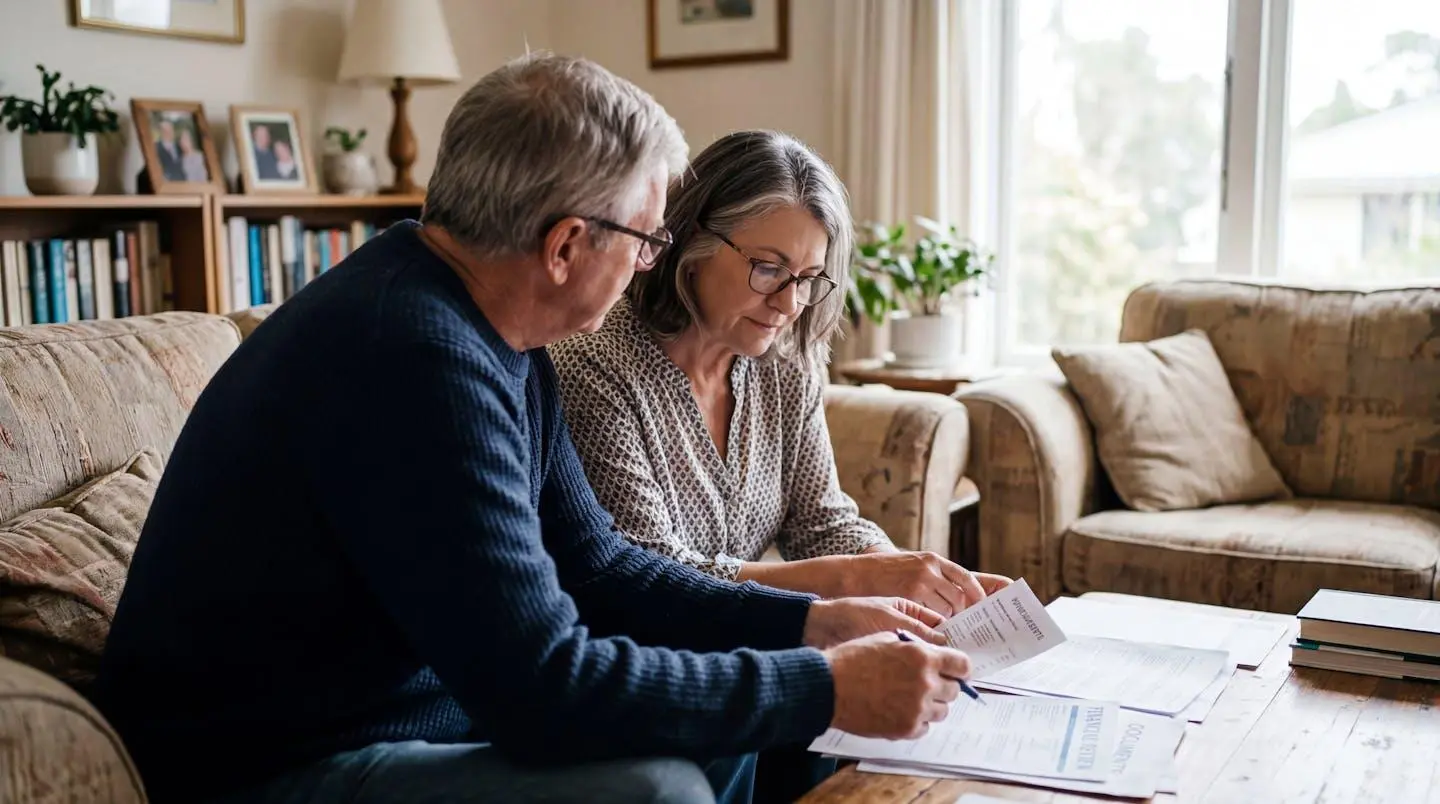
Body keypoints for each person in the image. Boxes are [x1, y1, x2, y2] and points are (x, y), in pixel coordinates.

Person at [94, 53, 975, 804]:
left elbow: (600, 568)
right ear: (564, 247)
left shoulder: (496, 333)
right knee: (661, 788)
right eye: (645, 239)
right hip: (267, 766)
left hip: (420, 713)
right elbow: (543, 686)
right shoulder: (412, 356)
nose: (649, 262)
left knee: (725, 716)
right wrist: (819, 685)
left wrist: (811, 624)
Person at [550, 130, 1012, 621]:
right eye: (769, 269)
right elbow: (651, 575)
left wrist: (909, 573)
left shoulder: (787, 364)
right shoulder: (594, 367)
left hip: (747, 642)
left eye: (809, 279)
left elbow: (822, 523)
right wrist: (853, 579)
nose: (790, 304)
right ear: (695, 240)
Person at [153, 117, 186, 181]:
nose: (169, 132)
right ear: (161, 131)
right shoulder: (155, 147)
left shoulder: (180, 146)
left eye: (170, 129)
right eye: (165, 130)